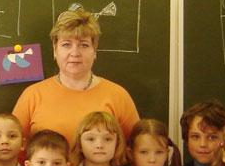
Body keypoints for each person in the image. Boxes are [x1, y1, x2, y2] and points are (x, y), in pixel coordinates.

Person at [12, 8, 140, 144]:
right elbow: (14, 147)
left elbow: (136, 149)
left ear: (94, 51)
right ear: (55, 50)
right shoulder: (32, 96)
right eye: (66, 45)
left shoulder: (118, 96)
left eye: (84, 45)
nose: (75, 53)